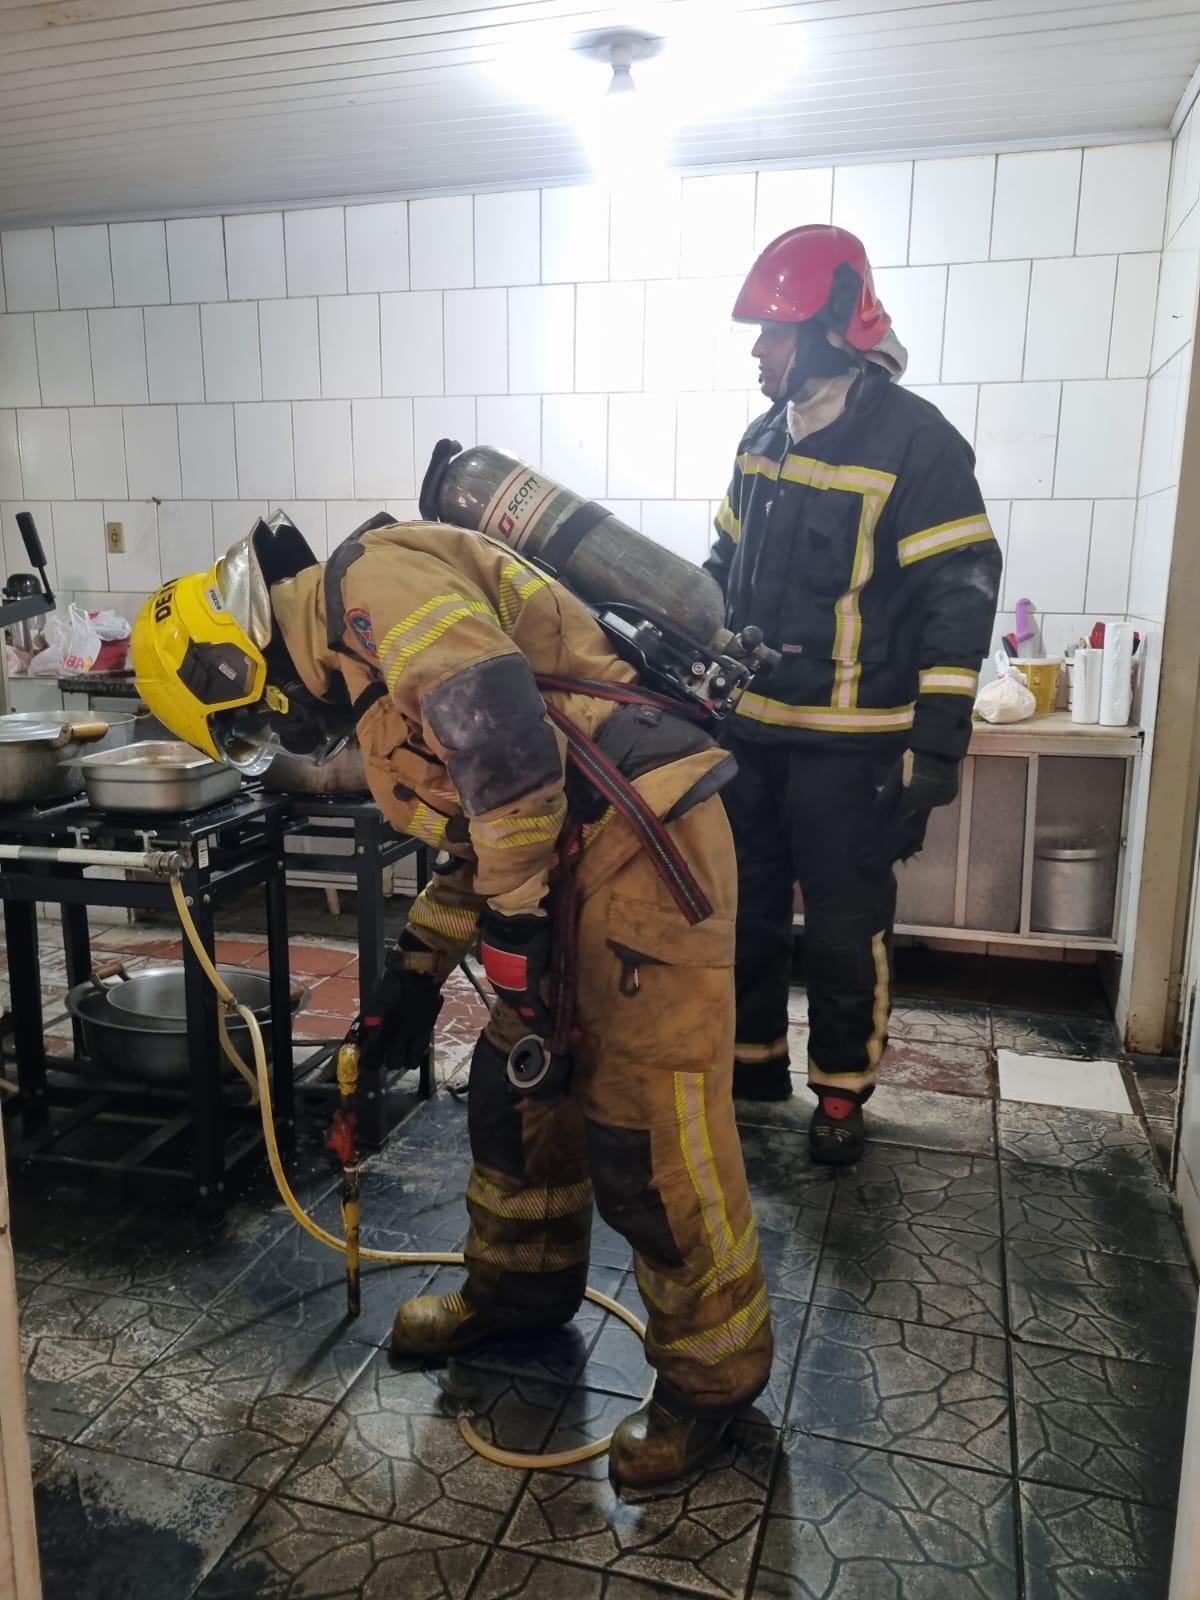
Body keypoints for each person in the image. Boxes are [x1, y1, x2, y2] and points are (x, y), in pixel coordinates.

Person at [131, 510, 773, 1488]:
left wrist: (513, 923)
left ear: (230, 661)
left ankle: (713, 1378)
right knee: (515, 1094)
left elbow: (506, 750)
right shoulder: (367, 669)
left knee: (646, 1131)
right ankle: (520, 1291)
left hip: (646, 844)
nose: (283, 736)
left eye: (250, 722)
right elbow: (482, 831)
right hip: (564, 862)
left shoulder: (373, 584)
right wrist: (417, 972)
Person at [707, 224, 1001, 1165]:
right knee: (745, 916)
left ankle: (841, 1092)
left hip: (852, 747)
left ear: (830, 332)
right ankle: (752, 1067)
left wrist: (937, 745)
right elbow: (720, 568)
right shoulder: (762, 439)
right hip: (750, 739)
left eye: (772, 331)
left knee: (842, 932)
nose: (758, 351)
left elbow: (960, 593)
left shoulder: (919, 444)